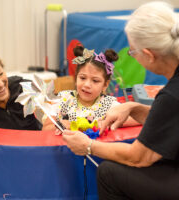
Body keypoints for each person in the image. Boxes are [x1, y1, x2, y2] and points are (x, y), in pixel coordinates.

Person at [62, 1, 179, 200]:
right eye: (82, 78)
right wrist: (133, 107)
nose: (87, 85)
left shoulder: (171, 95)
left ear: (149, 55)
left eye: (133, 52)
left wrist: (88, 146)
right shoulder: (67, 100)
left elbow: (139, 157)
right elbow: (170, 120)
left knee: (108, 173)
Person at [42, 46, 138, 132]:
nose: (87, 85)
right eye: (82, 78)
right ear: (76, 78)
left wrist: (108, 122)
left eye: (95, 81)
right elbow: (45, 129)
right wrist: (59, 125)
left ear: (105, 84)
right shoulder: (63, 99)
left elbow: (137, 118)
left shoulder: (109, 104)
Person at [0, 50, 42, 130]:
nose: (0, 84)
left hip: (38, 139)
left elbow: (52, 101)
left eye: (0, 74)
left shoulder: (21, 87)